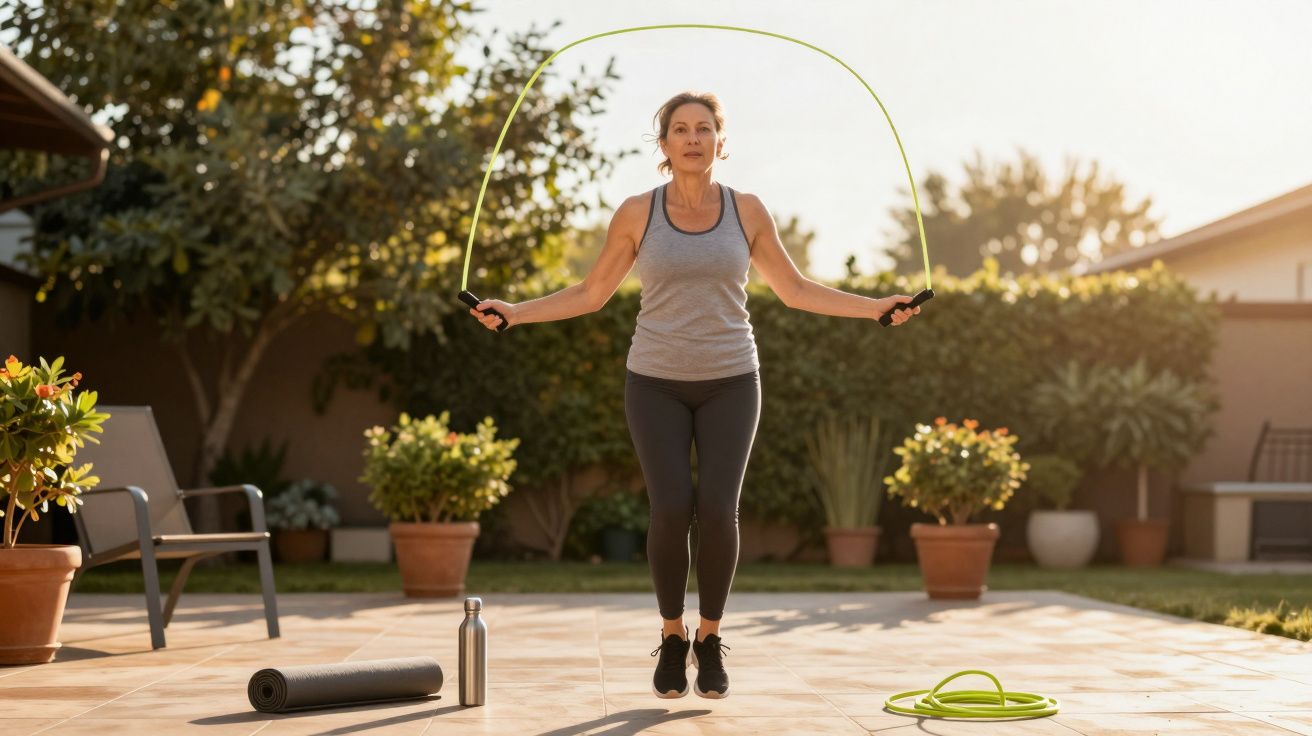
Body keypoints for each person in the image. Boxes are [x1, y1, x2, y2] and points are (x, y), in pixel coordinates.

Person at [468, 91, 920, 700]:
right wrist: (515, 313)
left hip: (733, 379)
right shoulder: (636, 213)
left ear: (719, 141)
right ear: (663, 144)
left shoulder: (747, 210)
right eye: (679, 129)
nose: (691, 138)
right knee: (671, 507)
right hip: (653, 381)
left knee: (718, 508)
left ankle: (709, 639)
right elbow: (592, 291)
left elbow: (793, 289)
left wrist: (876, 310)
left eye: (703, 129)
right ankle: (672, 634)